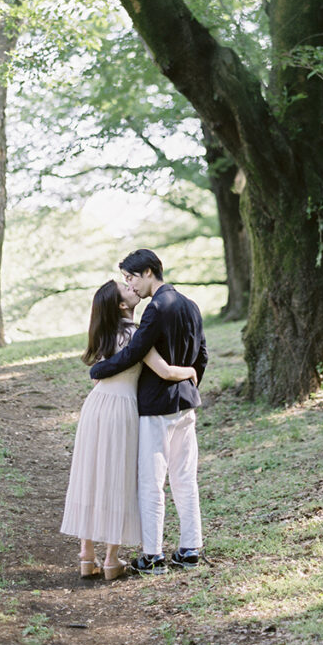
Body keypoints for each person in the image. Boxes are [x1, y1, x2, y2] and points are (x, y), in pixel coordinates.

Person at [60, 279, 197, 581]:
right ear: (122, 305)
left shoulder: (103, 333)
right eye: (126, 288)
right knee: (118, 477)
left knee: (91, 474)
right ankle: (111, 559)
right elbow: (164, 371)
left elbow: (97, 378)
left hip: (96, 406)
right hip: (122, 409)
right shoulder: (135, 335)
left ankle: (86, 554)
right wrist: (190, 371)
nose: (132, 287)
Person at [90, 249, 208, 575]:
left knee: (151, 482)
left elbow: (134, 352)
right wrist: (190, 381)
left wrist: (98, 370)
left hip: (156, 407)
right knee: (184, 478)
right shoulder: (191, 305)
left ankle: (153, 556)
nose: (130, 285)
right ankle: (190, 549)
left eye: (131, 277)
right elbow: (202, 356)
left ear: (148, 272)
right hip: (186, 404)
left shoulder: (156, 308)